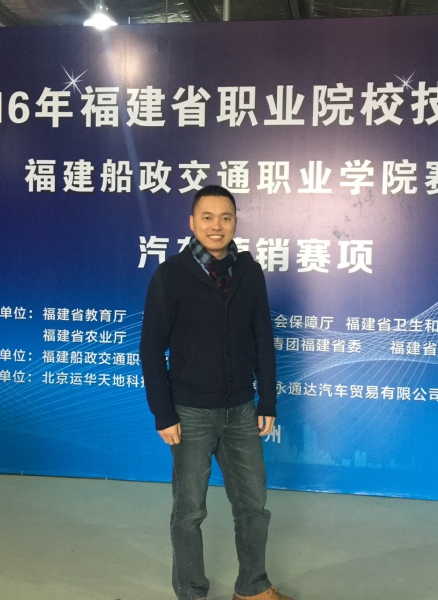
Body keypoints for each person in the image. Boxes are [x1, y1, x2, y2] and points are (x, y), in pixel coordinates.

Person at [140, 185, 292, 600]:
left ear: (235, 222)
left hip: (241, 410)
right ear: (192, 223)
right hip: (190, 413)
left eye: (225, 217)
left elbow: (263, 338)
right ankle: (191, 592)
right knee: (189, 511)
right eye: (207, 217)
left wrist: (267, 400)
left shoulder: (249, 272)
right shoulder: (170, 276)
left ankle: (253, 587)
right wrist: (163, 412)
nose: (216, 226)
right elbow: (151, 348)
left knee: (253, 506)